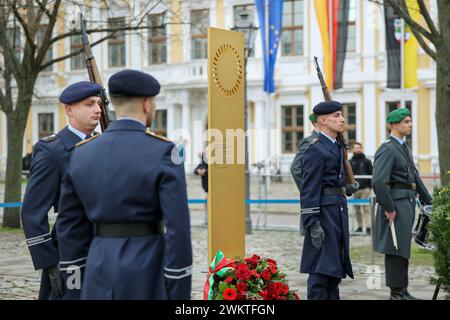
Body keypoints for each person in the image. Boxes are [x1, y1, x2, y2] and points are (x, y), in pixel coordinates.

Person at [56, 69, 193, 300]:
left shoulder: (82, 153)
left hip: (97, 264)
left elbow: (69, 226)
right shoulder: (165, 152)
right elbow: (178, 230)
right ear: (148, 104)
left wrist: (74, 284)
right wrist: (179, 288)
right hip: (146, 266)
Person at [20, 81, 102, 300]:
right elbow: (31, 212)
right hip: (70, 252)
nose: (98, 109)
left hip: (105, 248)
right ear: (69, 109)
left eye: (99, 104)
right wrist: (49, 261)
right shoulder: (52, 151)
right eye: (90, 104)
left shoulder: (104, 144)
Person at [372, 108, 432, 300]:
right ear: (394, 125)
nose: (410, 124)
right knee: (395, 248)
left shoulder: (403, 147)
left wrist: (428, 201)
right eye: (406, 121)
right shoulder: (387, 148)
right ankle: (396, 293)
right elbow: (379, 182)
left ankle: (403, 290)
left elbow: (414, 177)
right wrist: (389, 207)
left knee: (402, 247)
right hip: (395, 205)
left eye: (410, 121)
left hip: (406, 202)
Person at [300, 101, 353, 300]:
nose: (342, 119)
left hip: (337, 212)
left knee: (334, 272)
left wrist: (346, 185)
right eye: (337, 115)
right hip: (323, 215)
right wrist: (312, 223)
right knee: (320, 273)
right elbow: (309, 190)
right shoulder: (315, 149)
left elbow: (334, 179)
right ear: (323, 120)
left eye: (341, 115)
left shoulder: (336, 146)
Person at [291, 113, 321, 235]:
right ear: (318, 122)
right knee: (314, 236)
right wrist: (307, 188)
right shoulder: (309, 142)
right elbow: (296, 168)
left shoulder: (333, 141)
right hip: (314, 196)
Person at [349, 142, 373, 234]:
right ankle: (359, 226)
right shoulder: (350, 162)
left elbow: (371, 173)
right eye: (355, 148)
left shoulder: (367, 161)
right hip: (355, 189)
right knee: (357, 208)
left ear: (361, 149)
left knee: (366, 207)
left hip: (365, 188)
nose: (357, 149)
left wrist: (370, 187)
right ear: (352, 150)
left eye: (359, 148)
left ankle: (368, 227)